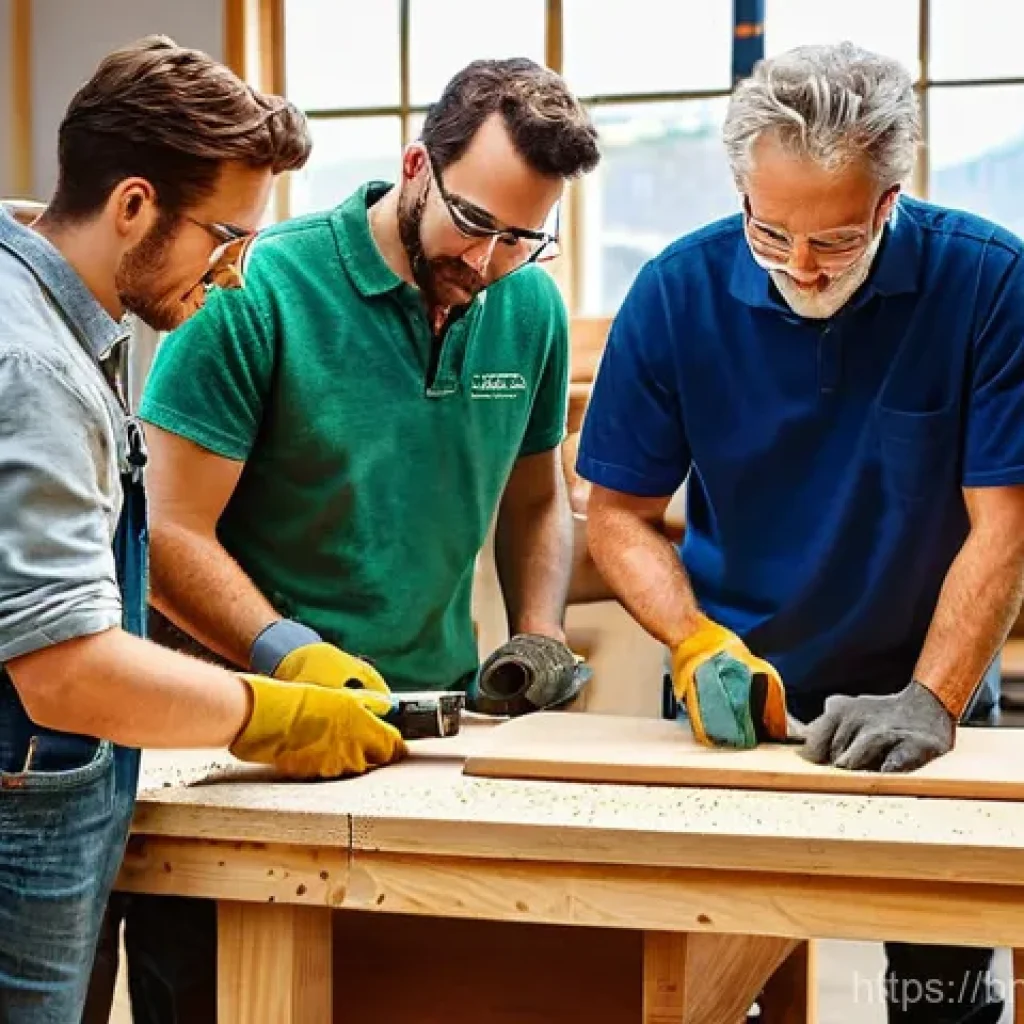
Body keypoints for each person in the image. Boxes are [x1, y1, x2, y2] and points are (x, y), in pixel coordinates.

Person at [110, 58, 600, 1020]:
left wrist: (539, 631)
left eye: (522, 237)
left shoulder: (528, 307)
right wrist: (293, 660)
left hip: (432, 752)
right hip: (242, 753)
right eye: (473, 223)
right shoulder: (255, 289)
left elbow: (537, 501)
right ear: (417, 164)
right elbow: (164, 535)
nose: (490, 262)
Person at [577, 41, 1022, 1024]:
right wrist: (693, 643)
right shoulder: (676, 290)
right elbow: (617, 516)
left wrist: (931, 698)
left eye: (834, 239)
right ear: (740, 188)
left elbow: (1006, 524)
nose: (803, 267)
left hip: (925, 694)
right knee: (710, 991)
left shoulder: (988, 283)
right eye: (770, 233)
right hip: (730, 697)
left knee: (936, 999)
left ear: (889, 196)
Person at [0, 37, 406, 1024]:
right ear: (133, 205)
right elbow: (64, 668)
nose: (234, 278)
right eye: (226, 240)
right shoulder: (39, 370)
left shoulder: (52, 307)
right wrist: (270, 711)